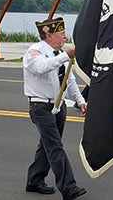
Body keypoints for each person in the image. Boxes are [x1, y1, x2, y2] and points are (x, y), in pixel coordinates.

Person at [24, 17, 88, 200]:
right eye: (61, 34)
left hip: (58, 106)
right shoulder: (34, 52)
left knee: (47, 145)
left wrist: (80, 100)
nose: (65, 37)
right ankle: (69, 187)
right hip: (40, 106)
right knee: (55, 147)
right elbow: (41, 68)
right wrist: (65, 56)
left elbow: (70, 80)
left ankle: (35, 180)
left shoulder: (60, 54)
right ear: (48, 35)